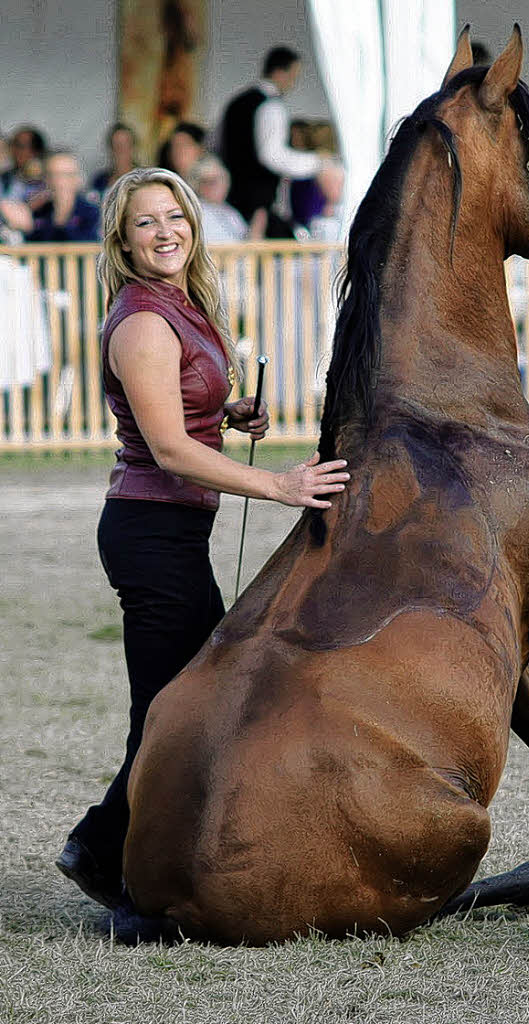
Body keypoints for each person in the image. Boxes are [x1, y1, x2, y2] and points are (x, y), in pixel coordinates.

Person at [54, 166, 350, 908]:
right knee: (170, 706)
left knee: (178, 701)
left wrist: (229, 413)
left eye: (175, 217)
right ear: (123, 239)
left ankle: (107, 848)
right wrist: (280, 485)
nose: (165, 232)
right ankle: (103, 852)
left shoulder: (181, 307)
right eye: (146, 222)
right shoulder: (145, 320)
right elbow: (168, 450)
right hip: (148, 531)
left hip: (173, 530)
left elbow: (184, 419)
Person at [218, 46, 336, 238]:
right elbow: (272, 155)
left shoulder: (235, 103)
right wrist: (318, 162)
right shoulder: (271, 106)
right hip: (258, 205)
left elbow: (218, 145)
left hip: (231, 198)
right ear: (281, 72)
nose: (293, 83)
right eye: (293, 75)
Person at [25, 150, 101, 243]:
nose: (59, 182)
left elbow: (87, 246)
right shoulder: (39, 211)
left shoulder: (93, 212)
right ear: (46, 180)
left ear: (78, 179)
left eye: (66, 175)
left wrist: (62, 217)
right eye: (53, 175)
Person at [187, 154, 266, 241]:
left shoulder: (230, 212)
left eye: (218, 180)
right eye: (206, 181)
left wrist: (256, 229)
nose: (214, 187)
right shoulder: (199, 212)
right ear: (196, 185)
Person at [90, 123, 138, 198]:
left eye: (126, 146)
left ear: (133, 148)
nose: (122, 151)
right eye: (117, 146)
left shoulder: (144, 179)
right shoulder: (100, 181)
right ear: (111, 150)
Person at [0, 125, 46, 202]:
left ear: (35, 152)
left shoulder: (46, 182)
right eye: (11, 144)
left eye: (19, 146)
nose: (12, 150)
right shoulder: (7, 177)